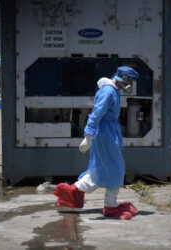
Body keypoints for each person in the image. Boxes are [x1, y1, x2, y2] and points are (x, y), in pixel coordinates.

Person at [53, 66, 139, 220]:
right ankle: (111, 206)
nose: (131, 84)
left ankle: (74, 191)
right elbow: (96, 113)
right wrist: (88, 135)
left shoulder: (113, 90)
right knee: (115, 168)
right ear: (124, 79)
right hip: (105, 134)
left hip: (106, 133)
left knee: (100, 168)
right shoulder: (108, 92)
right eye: (131, 80)